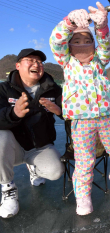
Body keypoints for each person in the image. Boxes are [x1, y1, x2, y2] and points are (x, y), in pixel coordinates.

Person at [49, 3, 110, 216]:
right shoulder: (67, 62)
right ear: (69, 46)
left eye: (88, 40)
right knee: (85, 159)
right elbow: (56, 41)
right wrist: (68, 23)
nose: (82, 44)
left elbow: (107, 46)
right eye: (76, 41)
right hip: (81, 120)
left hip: (106, 115)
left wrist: (102, 27)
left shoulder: (99, 61)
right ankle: (83, 196)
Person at [0, 48, 64, 218]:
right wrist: (14, 114)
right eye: (31, 60)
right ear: (18, 65)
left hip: (39, 147)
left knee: (56, 171)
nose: (37, 64)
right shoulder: (4, 89)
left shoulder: (53, 89)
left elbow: (70, 113)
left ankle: (33, 168)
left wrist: (60, 111)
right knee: (0, 137)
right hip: (12, 148)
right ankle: (8, 188)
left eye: (40, 62)